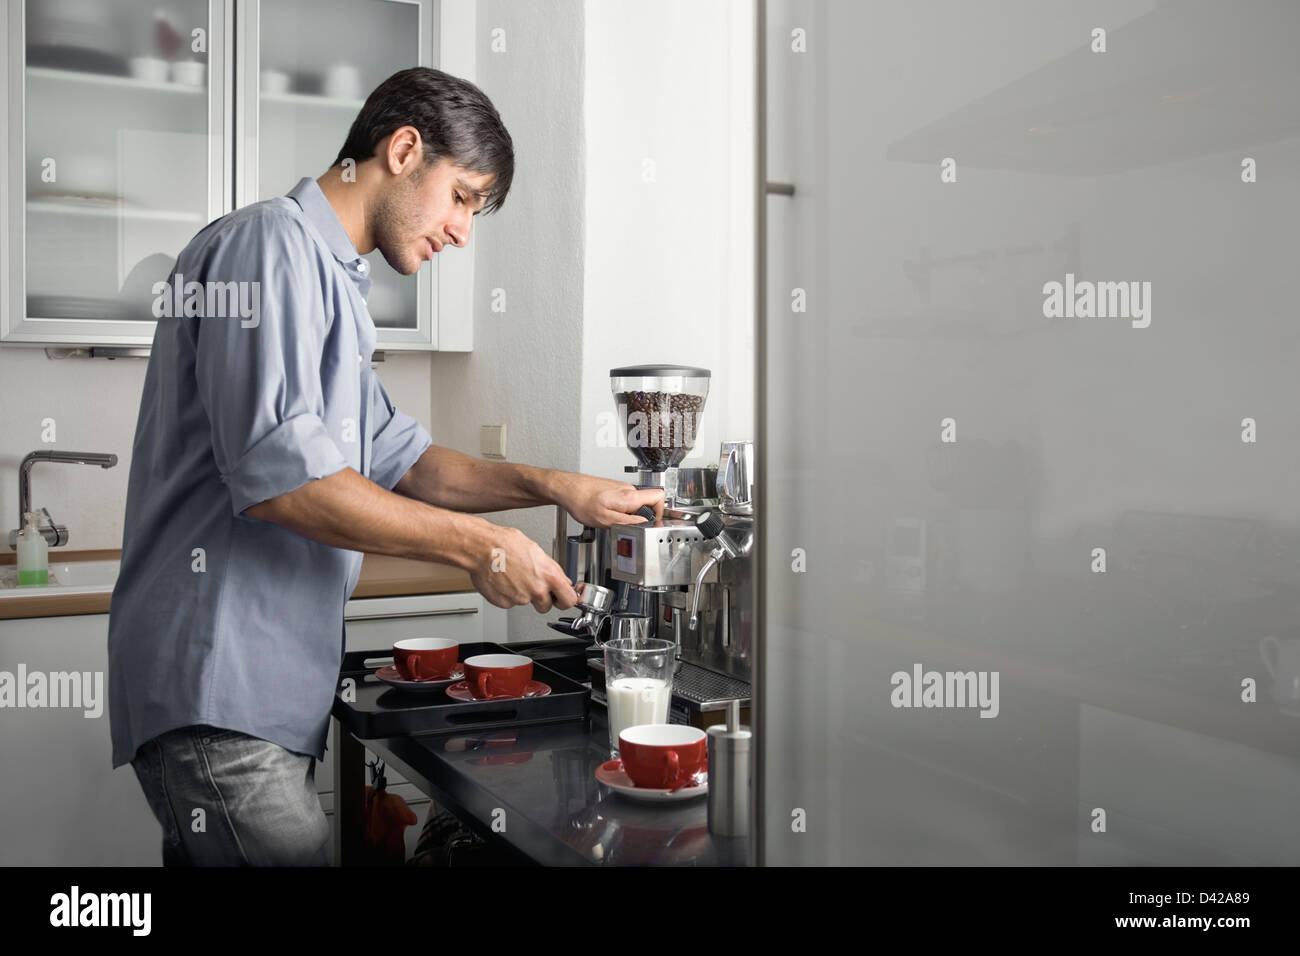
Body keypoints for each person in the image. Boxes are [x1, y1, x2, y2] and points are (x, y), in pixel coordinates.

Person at [107, 67, 662, 866]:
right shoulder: (268, 246)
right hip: (217, 688)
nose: (463, 231)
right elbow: (285, 480)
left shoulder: (331, 287)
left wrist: (555, 486)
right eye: (464, 197)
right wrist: (479, 548)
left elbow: (408, 464)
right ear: (404, 150)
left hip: (259, 702)